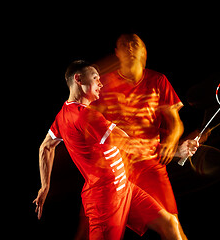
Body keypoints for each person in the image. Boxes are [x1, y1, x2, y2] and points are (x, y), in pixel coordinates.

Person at [33, 60, 186, 240]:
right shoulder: (86, 116)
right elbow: (129, 146)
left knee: (170, 224)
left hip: (125, 189)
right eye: (95, 78)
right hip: (105, 200)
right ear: (78, 79)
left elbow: (45, 147)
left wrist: (45, 187)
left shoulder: (64, 114)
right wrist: (176, 151)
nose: (101, 83)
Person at [92, 33, 199, 239]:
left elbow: (175, 122)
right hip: (116, 168)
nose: (130, 48)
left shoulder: (158, 80)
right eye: (124, 45)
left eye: (135, 44)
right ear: (117, 53)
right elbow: (90, 125)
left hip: (150, 166)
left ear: (144, 52)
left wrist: (173, 141)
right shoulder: (103, 84)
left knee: (173, 225)